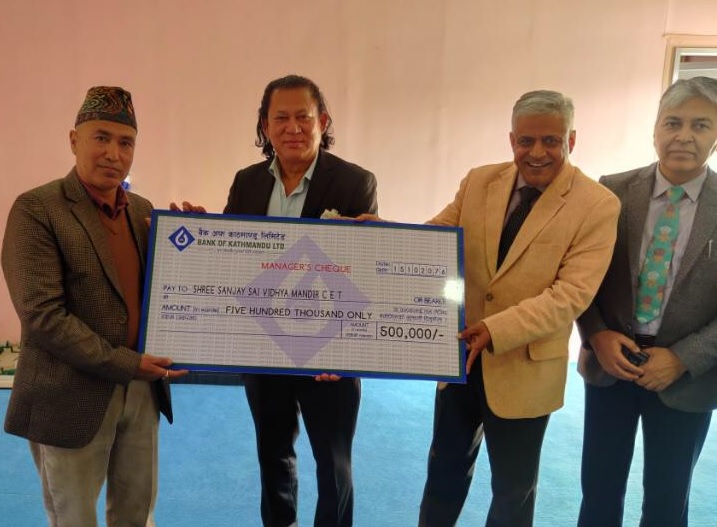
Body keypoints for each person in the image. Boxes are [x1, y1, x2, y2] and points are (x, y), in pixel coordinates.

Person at [414, 90, 620, 527]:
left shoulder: (597, 205)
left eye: (551, 141)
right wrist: (382, 238)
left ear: (571, 140)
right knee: (444, 472)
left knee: (513, 490)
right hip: (460, 358)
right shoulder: (480, 181)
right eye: (526, 141)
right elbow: (434, 238)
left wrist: (496, 328)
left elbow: (570, 294)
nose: (537, 152)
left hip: (525, 367)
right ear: (512, 140)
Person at [2, 86, 187, 527]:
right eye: (101, 138)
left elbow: (166, 291)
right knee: (74, 517)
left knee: (137, 513)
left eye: (126, 143)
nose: (113, 153)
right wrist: (127, 363)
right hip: (69, 393)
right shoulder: (36, 209)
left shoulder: (141, 211)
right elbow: (43, 316)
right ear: (74, 140)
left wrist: (196, 238)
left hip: (140, 391)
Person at [225, 74, 377, 527]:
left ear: (322, 122)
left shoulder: (354, 182)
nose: (292, 128)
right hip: (264, 347)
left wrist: (343, 349)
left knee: (334, 464)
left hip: (328, 353)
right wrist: (192, 233)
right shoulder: (246, 182)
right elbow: (229, 256)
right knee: (272, 455)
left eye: (303, 117)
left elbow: (362, 271)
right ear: (265, 126)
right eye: (281, 118)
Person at [576, 76, 717, 527]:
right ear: (654, 130)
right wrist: (596, 335)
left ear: (716, 136)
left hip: (686, 378)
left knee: (667, 502)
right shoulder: (610, 192)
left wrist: (682, 358)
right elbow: (579, 275)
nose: (684, 136)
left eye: (700, 125)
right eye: (673, 123)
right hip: (610, 365)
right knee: (598, 493)